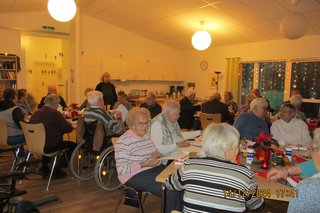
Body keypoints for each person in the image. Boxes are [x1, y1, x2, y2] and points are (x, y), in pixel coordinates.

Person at [166, 123, 264, 212]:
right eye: (237, 146)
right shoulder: (243, 174)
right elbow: (256, 205)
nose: (238, 150)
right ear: (228, 151)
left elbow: (169, 184)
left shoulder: (189, 165)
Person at [114, 108, 179, 212]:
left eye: (147, 123)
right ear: (132, 124)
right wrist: (143, 164)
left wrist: (156, 154)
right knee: (170, 189)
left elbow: (154, 152)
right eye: (141, 123)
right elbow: (121, 170)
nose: (145, 126)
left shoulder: (145, 136)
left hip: (151, 168)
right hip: (133, 175)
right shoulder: (124, 141)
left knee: (179, 182)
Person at [30, 94, 76, 178]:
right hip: (50, 146)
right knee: (73, 145)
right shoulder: (55, 113)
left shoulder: (36, 113)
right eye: (57, 105)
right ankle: (57, 168)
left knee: (46, 137)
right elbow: (68, 129)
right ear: (55, 104)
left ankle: (44, 167)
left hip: (36, 144)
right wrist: (68, 125)